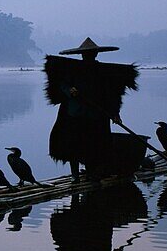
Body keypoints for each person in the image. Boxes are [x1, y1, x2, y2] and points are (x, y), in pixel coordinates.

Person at [44, 37, 138, 178]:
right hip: (74, 113)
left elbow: (112, 94)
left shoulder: (103, 72)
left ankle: (92, 173)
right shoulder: (72, 69)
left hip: (97, 114)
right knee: (73, 146)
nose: (88, 56)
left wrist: (115, 113)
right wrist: (70, 90)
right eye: (86, 54)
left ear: (95, 54)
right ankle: (75, 176)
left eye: (91, 54)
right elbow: (62, 84)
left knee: (95, 146)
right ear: (82, 55)